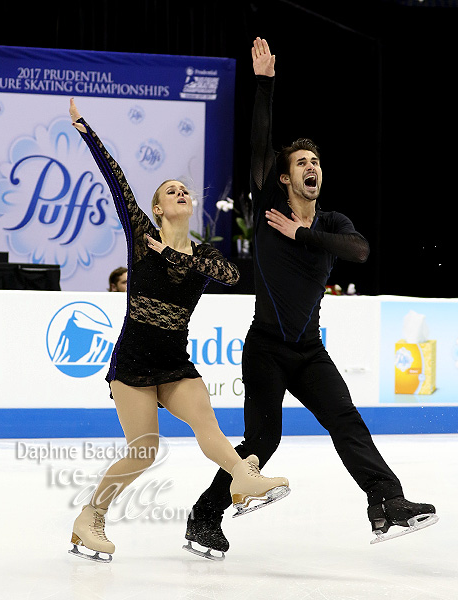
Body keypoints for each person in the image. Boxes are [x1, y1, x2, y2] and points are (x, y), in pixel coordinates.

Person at [185, 37, 438, 557]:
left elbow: (360, 252)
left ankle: (386, 503)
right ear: (285, 176)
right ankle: (204, 515)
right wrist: (264, 86)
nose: (311, 167)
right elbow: (258, 146)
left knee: (346, 420)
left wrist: (301, 235)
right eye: (301, 161)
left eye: (315, 161)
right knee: (263, 442)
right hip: (267, 348)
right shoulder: (268, 207)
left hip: (308, 350)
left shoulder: (329, 223)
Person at [67, 98, 289, 563]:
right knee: (144, 451)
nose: (179, 192)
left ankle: (242, 480)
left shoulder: (204, 255)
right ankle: (90, 516)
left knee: (206, 424)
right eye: (170, 190)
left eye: (184, 189)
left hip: (175, 362)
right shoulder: (140, 237)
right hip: (132, 363)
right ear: (157, 207)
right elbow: (117, 180)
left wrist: (172, 257)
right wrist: (86, 130)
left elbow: (231, 275)